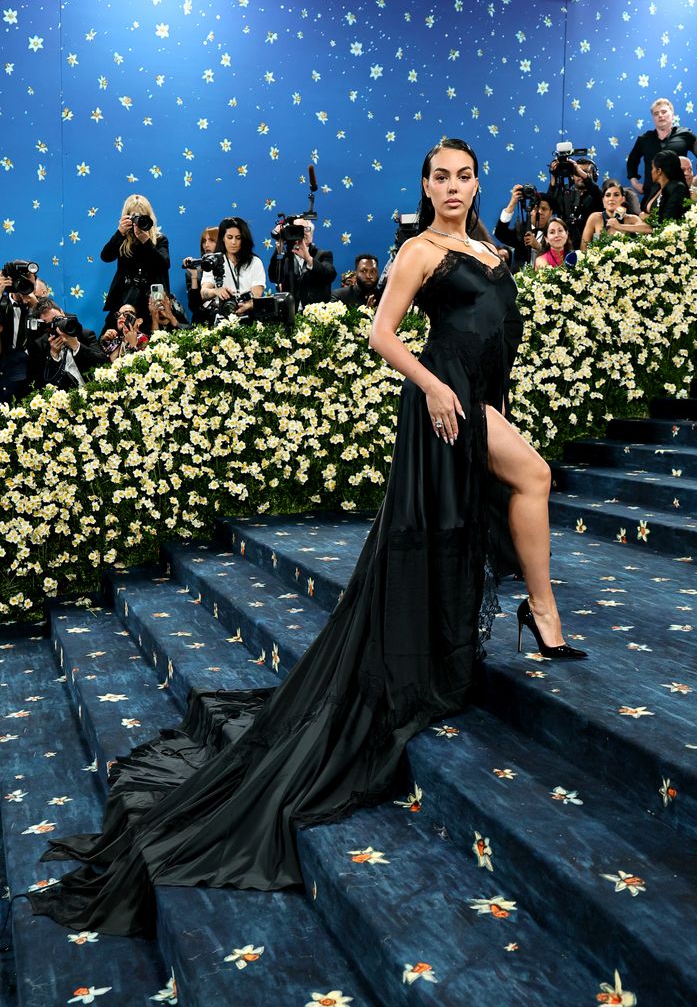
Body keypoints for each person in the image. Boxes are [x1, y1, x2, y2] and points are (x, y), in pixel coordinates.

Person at [29, 138, 585, 939]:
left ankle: (511, 621)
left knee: (482, 513)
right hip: (446, 402)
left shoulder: (486, 247)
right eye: (440, 177)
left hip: (478, 395)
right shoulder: (417, 251)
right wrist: (432, 388)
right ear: (423, 184)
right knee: (531, 479)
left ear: (477, 183)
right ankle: (542, 615)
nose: (453, 187)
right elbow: (383, 337)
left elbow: (494, 324)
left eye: (465, 176)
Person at [100, 195, 170, 327]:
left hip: (150, 300)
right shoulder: (123, 240)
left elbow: (164, 265)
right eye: (134, 217)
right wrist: (120, 233)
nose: (138, 222)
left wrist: (146, 241)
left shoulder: (160, 240)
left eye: (142, 217)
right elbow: (106, 256)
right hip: (124, 298)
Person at [626, 97, 697, 207]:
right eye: (656, 113)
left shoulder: (685, 134)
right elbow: (632, 161)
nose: (660, 115)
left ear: (672, 115)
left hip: (679, 195)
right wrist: (635, 183)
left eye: (664, 112)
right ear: (653, 118)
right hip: (651, 196)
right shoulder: (644, 139)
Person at [27, 298, 107, 391]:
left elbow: (103, 363)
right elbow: (40, 383)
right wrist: (54, 356)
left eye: (57, 319)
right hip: (61, 399)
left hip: (92, 391)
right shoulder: (40, 345)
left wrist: (76, 346)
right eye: (50, 324)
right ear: (44, 327)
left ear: (62, 312)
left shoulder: (85, 335)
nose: (56, 325)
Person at [200, 217, 265, 323]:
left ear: (243, 239)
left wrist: (247, 305)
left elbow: (257, 294)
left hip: (249, 317)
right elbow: (204, 293)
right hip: (222, 318)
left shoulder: (255, 262)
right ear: (222, 238)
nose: (233, 242)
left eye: (238, 238)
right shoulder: (214, 261)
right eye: (229, 237)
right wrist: (216, 291)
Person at [0, 264, 48, 402]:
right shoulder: (2, 303)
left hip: (26, 373)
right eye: (20, 278)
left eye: (29, 279)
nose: (24, 282)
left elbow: (50, 330)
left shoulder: (38, 306)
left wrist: (36, 306)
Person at [268, 218, 336, 308]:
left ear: (311, 234)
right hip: (290, 313)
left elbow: (329, 275)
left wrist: (308, 258)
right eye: (297, 229)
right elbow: (273, 277)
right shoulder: (285, 257)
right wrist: (278, 252)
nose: (302, 233)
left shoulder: (323, 255)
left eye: (306, 229)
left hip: (315, 314)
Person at [494, 187, 558, 270]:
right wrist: (512, 203)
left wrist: (538, 247)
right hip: (519, 279)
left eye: (544, 209)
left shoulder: (556, 233)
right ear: (530, 211)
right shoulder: (521, 230)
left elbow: (558, 256)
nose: (540, 212)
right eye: (536, 208)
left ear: (551, 212)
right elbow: (500, 233)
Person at [580, 180, 644, 250]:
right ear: (603, 201)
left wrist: (620, 226)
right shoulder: (595, 218)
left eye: (616, 195)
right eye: (608, 195)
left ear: (623, 199)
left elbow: (649, 229)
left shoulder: (632, 219)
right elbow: (583, 249)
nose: (611, 198)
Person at [184, 226, 218, 325]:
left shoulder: (231, 266)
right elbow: (193, 306)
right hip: (203, 322)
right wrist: (194, 276)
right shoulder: (196, 270)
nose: (206, 245)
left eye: (211, 240)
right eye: (204, 241)